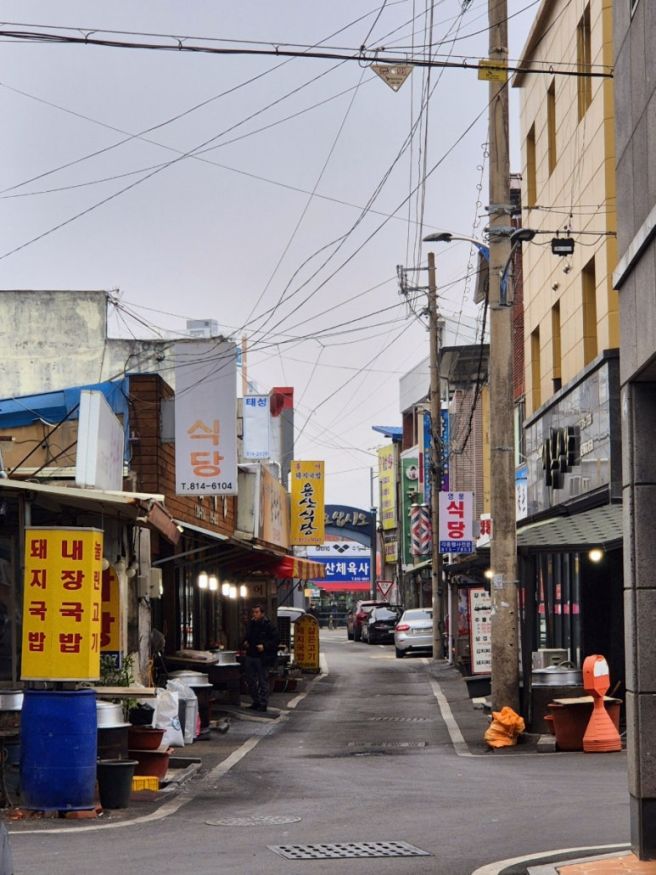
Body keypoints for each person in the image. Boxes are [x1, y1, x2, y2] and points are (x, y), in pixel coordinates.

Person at [243, 604, 279, 713]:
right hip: (251, 655)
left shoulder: (269, 625)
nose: (254, 614)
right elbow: (247, 636)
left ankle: (263, 703)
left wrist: (264, 646)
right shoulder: (251, 624)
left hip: (262, 657)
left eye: (257, 612)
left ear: (262, 613)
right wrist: (245, 642)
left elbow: (276, 640)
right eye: (253, 612)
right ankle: (256, 701)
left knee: (263, 680)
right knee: (250, 680)